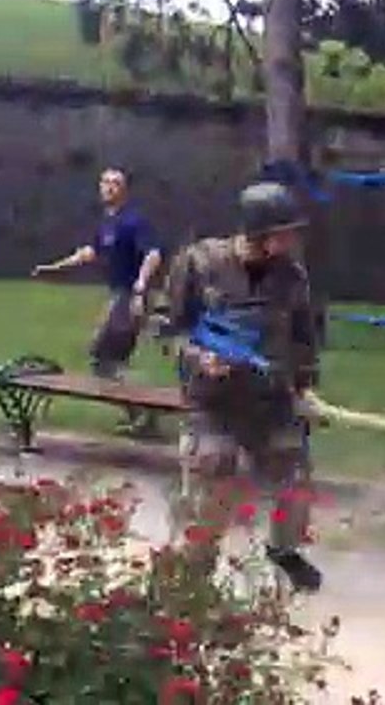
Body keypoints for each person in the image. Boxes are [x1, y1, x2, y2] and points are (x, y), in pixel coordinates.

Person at [161, 182, 322, 592]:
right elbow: (169, 331)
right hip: (213, 403)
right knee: (214, 481)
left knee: (296, 480)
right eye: (283, 232)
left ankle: (283, 549)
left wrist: (305, 386)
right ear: (257, 231)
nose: (290, 240)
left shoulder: (291, 276)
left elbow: (304, 338)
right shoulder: (199, 264)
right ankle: (195, 569)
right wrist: (199, 357)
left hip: (272, 400)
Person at [31, 167, 163, 436]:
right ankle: (142, 415)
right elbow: (89, 253)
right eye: (105, 183)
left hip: (130, 297)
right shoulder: (108, 222)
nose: (109, 187)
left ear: (124, 190)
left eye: (115, 184)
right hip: (119, 295)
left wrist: (140, 286)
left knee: (101, 356)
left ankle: (147, 409)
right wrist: (54, 267)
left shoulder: (133, 221)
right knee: (112, 361)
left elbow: (153, 254)